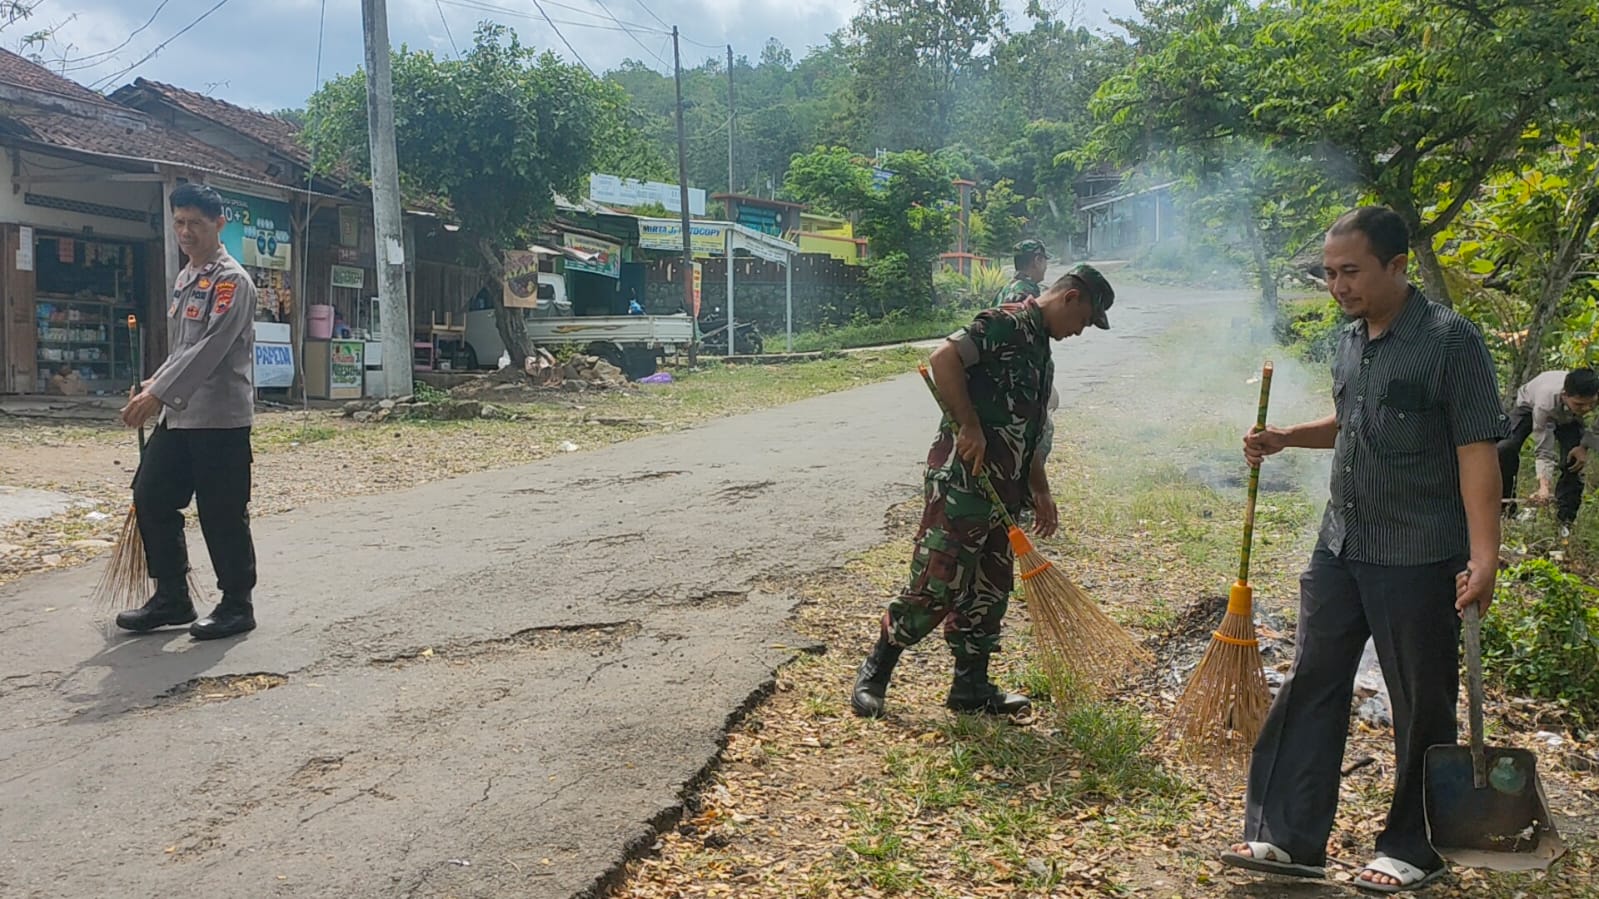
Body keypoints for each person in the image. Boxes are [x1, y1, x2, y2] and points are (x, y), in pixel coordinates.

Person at [1222, 207, 1505, 893]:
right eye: (1328, 272)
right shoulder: (1348, 339)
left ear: (1396, 266)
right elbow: (1353, 423)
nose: (1337, 285)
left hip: (1418, 550)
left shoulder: (1449, 342)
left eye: (1350, 271)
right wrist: (1287, 436)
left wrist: (1484, 553)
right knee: (1313, 677)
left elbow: (1476, 452)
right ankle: (1289, 837)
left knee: (1419, 697)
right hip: (1341, 543)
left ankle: (1416, 844)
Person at [851, 263, 1116, 718]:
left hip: (1005, 492)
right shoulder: (1005, 322)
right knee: (939, 580)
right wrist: (969, 426)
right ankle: (876, 672)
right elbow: (943, 359)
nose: (1080, 332)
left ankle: (970, 687)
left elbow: (1029, 431)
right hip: (964, 483)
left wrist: (1041, 490)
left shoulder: (1041, 352)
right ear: (1071, 298)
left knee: (989, 589)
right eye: (1084, 321)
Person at [115, 183, 261, 641]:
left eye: (195, 223)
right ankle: (173, 595)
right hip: (179, 417)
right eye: (179, 222)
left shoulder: (231, 281)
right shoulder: (185, 278)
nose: (185, 231)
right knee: (151, 494)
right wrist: (153, 384)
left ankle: (237, 604)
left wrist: (159, 393)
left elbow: (210, 349)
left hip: (220, 419)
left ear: (219, 224)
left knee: (221, 511)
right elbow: (181, 349)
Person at [1498, 368, 1599, 528]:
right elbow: (1544, 449)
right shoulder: (1545, 402)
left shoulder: (1589, 397)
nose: (1586, 409)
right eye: (1580, 404)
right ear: (1565, 395)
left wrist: (1583, 446)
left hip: (1569, 417)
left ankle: (1564, 523)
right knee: (1504, 449)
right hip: (1529, 406)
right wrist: (1544, 486)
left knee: (1574, 463)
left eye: (1591, 404)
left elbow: (1596, 429)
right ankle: (1506, 511)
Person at [993, 239, 1049, 307]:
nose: (1046, 266)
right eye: (1045, 260)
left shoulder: (1005, 289)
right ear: (1037, 261)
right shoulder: (1028, 295)